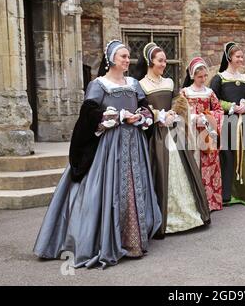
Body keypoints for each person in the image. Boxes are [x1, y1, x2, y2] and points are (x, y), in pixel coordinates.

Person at [34, 40, 162, 268]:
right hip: (109, 148)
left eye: (127, 56)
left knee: (134, 189)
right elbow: (88, 116)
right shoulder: (99, 85)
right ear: (111, 59)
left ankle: (132, 239)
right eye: (123, 56)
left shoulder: (133, 83)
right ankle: (106, 238)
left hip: (134, 145)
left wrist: (140, 117)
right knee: (106, 192)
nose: (127, 60)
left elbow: (144, 107)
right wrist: (120, 117)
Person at [134, 42, 210, 238]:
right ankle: (164, 219)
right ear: (151, 61)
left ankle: (189, 214)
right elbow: (142, 107)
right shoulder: (141, 84)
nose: (164, 64)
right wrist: (158, 115)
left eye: (165, 60)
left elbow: (178, 100)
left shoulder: (168, 82)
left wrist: (174, 113)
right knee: (159, 171)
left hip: (173, 132)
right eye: (160, 60)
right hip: (156, 136)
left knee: (183, 171)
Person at [210, 42, 245, 206]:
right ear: (229, 57)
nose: (241, 59)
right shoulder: (219, 78)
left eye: (242, 57)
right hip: (227, 123)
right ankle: (227, 194)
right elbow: (213, 100)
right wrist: (231, 107)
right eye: (238, 56)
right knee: (228, 157)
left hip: (244, 123)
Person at [180, 57, 224, 211]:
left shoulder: (209, 92)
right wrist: (193, 118)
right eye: (200, 77)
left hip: (206, 133)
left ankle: (210, 201)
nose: (203, 79)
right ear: (192, 75)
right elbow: (180, 113)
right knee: (194, 164)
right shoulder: (185, 93)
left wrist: (206, 117)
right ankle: (195, 201)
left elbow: (219, 110)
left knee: (209, 166)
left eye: (205, 76)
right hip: (191, 134)